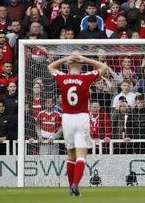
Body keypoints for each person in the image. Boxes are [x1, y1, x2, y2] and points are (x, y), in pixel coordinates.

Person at [47, 53, 108, 196]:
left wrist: (65, 59)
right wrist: (85, 59)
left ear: (68, 66)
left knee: (70, 155)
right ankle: (75, 184)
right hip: (81, 117)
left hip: (67, 118)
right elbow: (104, 67)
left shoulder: (62, 77)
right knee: (81, 156)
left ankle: (70, 188)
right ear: (81, 66)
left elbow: (50, 66)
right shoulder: (85, 77)